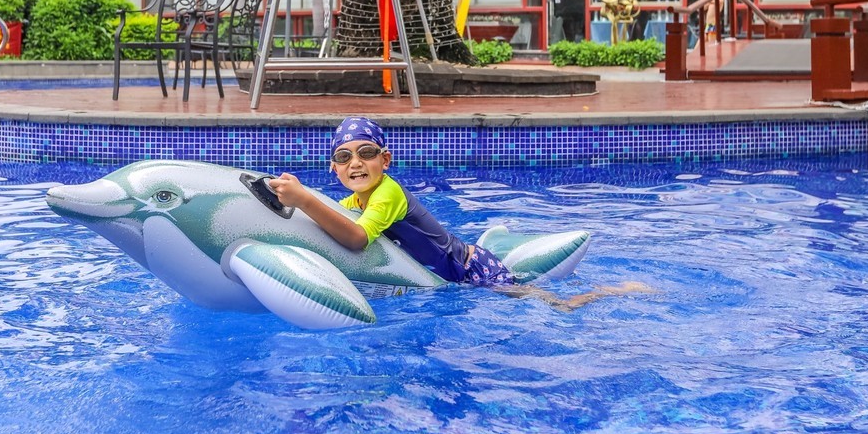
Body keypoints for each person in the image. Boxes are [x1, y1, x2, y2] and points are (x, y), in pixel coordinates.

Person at [268, 116, 653, 311]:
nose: (355, 163)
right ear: (333, 169)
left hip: (472, 270)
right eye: (343, 157)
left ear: (385, 160)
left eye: (366, 152)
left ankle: (612, 292)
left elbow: (355, 238)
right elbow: (338, 220)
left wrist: (303, 199)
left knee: (555, 306)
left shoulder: (387, 193)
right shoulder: (356, 203)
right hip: (452, 272)